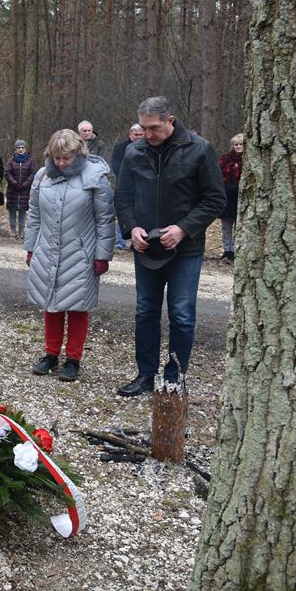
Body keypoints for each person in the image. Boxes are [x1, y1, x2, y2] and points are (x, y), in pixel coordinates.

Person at [114, 97, 226, 396]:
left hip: (185, 249)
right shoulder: (134, 152)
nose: (148, 134)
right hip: (146, 248)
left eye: (154, 128)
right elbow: (123, 197)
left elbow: (215, 199)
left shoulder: (199, 149)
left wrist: (183, 228)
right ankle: (145, 374)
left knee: (182, 315)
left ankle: (174, 378)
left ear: (170, 120)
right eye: (144, 128)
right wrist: (131, 227)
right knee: (145, 312)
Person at [24, 129, 115, 382]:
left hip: (81, 253)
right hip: (47, 249)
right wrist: (31, 247)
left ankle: (73, 359)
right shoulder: (42, 176)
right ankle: (50, 355)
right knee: (51, 303)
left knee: (77, 306)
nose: (62, 163)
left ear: (78, 153)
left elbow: (105, 220)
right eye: (57, 158)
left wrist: (102, 255)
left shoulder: (95, 177)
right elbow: (34, 215)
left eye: (67, 158)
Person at [110, 123, 145, 249]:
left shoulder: (147, 147)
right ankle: (120, 241)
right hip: (125, 186)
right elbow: (116, 165)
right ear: (130, 134)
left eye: (141, 134)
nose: (138, 137)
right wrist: (127, 179)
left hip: (142, 186)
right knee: (123, 212)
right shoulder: (121, 148)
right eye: (136, 135)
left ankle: (138, 240)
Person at [218, 133, 244, 262]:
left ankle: (237, 250)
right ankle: (227, 250)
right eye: (236, 145)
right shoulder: (225, 159)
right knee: (226, 226)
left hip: (242, 198)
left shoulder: (249, 159)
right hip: (227, 197)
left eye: (241, 144)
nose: (238, 147)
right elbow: (218, 175)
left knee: (239, 227)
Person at [4, 139, 37, 238]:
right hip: (13, 191)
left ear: (25, 149)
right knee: (12, 211)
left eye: (22, 147)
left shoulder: (30, 161)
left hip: (25, 191)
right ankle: (13, 230)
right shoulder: (11, 161)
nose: (21, 149)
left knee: (23, 211)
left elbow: (33, 174)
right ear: (15, 149)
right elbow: (7, 173)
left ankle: (21, 231)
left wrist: (25, 184)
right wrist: (15, 183)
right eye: (18, 148)